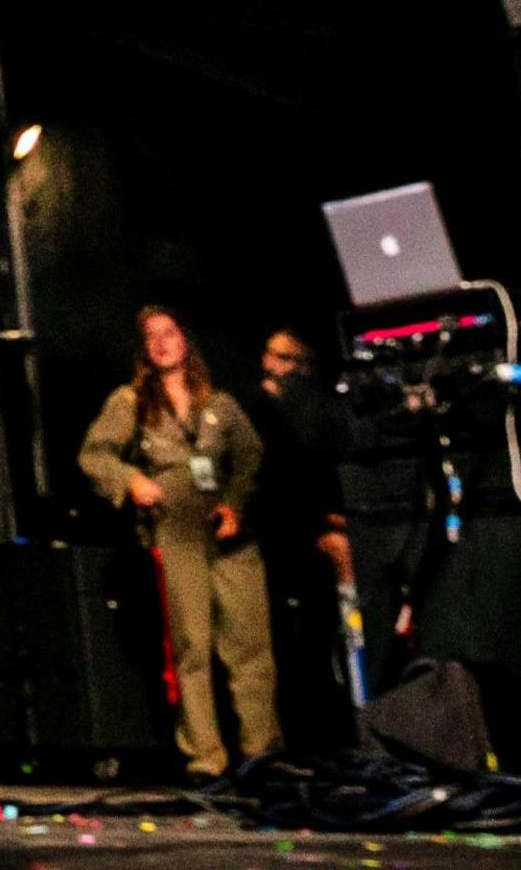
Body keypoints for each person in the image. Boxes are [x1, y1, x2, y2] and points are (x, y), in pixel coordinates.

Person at [78, 307, 279, 778]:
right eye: (151, 337)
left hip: (225, 529)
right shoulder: (130, 402)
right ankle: (205, 757)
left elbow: (251, 458)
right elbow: (94, 455)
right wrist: (130, 480)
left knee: (250, 643)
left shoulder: (220, 404)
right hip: (176, 528)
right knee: (192, 645)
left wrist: (235, 504)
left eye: (169, 332)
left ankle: (262, 751)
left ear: (186, 339)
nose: (162, 342)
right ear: (143, 350)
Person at [240, 328, 356, 745]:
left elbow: (324, 470)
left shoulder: (320, 409)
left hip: (315, 529)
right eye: (274, 356)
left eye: (289, 359)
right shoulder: (254, 410)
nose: (278, 367)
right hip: (275, 534)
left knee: (327, 629)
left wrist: (334, 518)